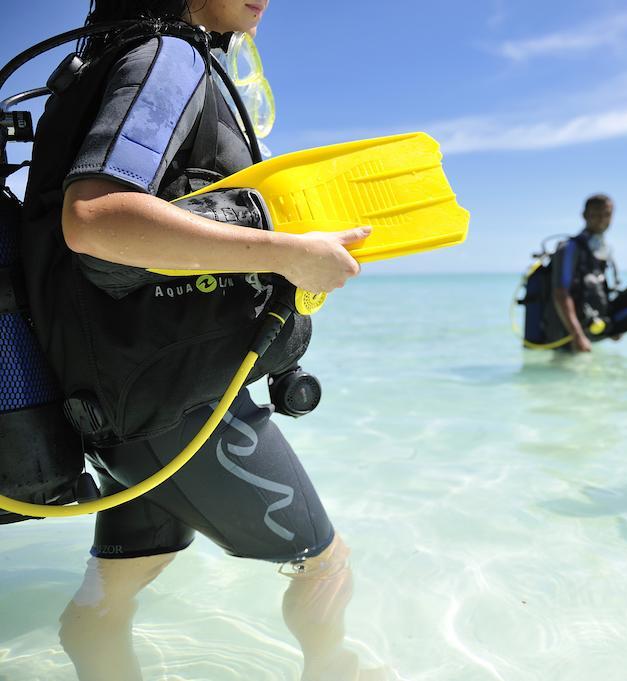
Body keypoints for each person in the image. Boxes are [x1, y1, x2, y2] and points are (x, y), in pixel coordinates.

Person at [18, 2, 381, 679]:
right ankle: (337, 666)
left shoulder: (103, 59)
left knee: (127, 575)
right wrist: (286, 254)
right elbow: (94, 219)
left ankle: (97, 651)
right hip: (174, 404)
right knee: (326, 564)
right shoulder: (169, 55)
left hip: (114, 397)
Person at [551, 194, 618, 353]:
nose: (602, 219)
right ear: (585, 216)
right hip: (567, 337)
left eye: (607, 214)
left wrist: (613, 326)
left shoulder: (600, 250)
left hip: (588, 334)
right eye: (596, 214)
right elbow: (560, 293)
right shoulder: (570, 248)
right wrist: (577, 335)